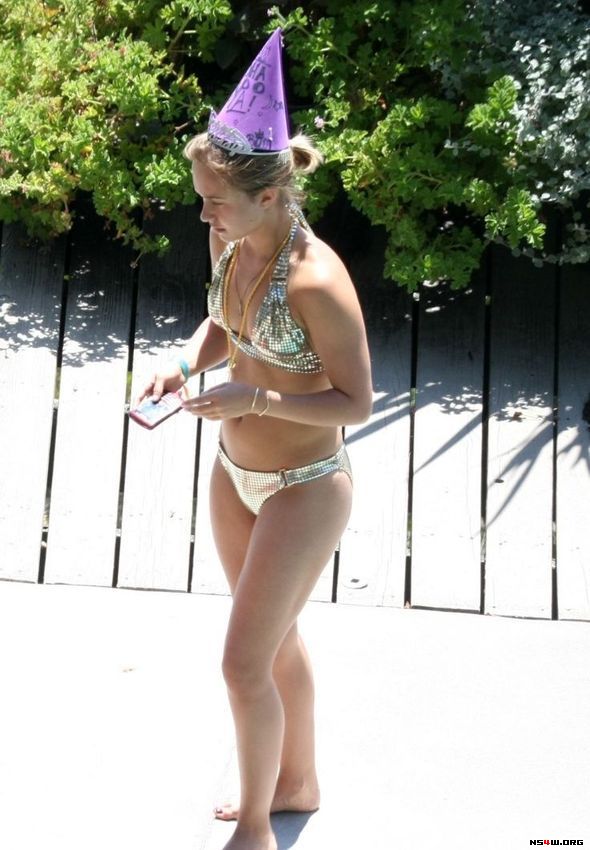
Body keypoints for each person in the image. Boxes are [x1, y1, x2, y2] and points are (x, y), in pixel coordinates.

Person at [138, 29, 372, 850]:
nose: (203, 213)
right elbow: (223, 322)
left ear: (270, 195)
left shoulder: (318, 281)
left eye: (216, 200)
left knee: (242, 664)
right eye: (202, 197)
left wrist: (258, 396)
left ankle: (256, 828)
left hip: (305, 488)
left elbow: (358, 404)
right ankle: (297, 781)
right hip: (233, 472)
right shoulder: (229, 239)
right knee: (273, 644)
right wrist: (181, 363)